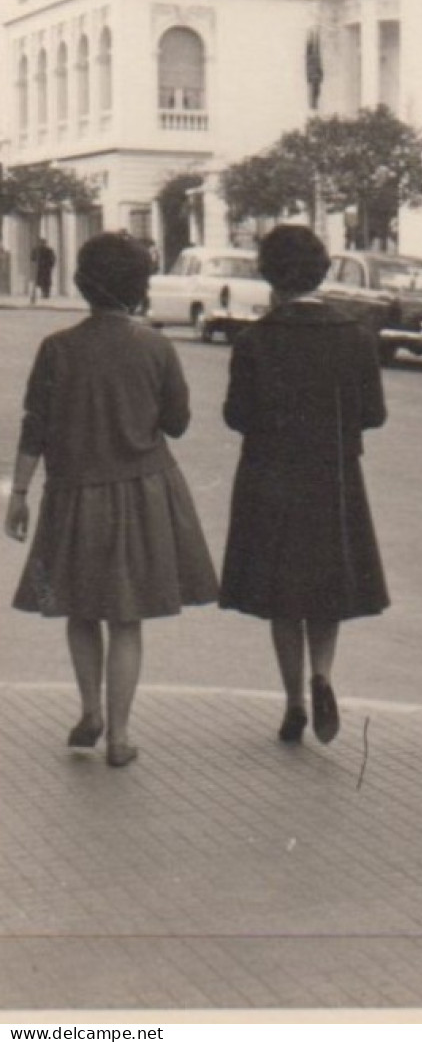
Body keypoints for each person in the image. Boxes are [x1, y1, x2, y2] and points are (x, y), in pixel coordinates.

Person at [5, 233, 218, 767]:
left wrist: (20, 493)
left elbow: (35, 427)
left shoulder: (57, 348)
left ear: (82, 285)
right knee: (127, 618)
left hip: (73, 494)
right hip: (143, 493)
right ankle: (121, 736)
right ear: (139, 288)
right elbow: (178, 423)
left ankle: (90, 710)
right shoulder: (156, 346)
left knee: (80, 608)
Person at [218, 225, 389, 745]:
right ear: (322, 270)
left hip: (271, 479)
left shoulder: (254, 340)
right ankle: (323, 676)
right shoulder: (355, 335)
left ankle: (293, 700)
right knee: (326, 590)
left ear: (269, 273)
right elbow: (374, 414)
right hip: (334, 477)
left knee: (282, 595)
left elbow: (236, 415)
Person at [31, 238, 56, 303]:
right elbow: (32, 258)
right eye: (41, 243)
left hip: (45, 268)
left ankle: (46, 293)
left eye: (43, 243)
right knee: (42, 281)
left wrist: (50, 265)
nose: (42, 244)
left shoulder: (48, 250)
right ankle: (44, 293)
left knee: (46, 282)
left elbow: (52, 259)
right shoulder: (37, 250)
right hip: (41, 268)